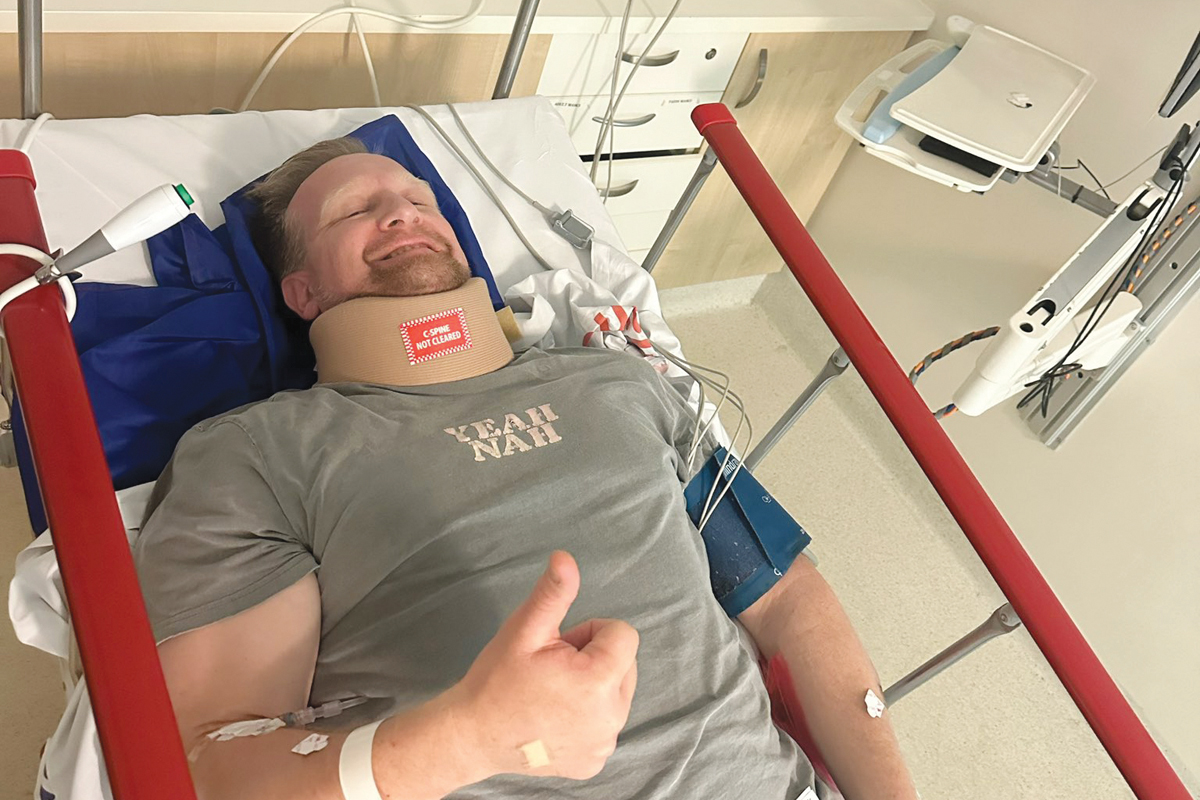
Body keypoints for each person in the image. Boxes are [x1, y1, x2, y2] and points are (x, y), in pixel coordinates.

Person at [134, 136, 919, 800]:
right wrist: (465, 739)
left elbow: (786, 600)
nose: (402, 213)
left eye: (419, 200)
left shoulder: (618, 382)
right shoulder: (259, 451)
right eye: (355, 211)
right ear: (302, 292)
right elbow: (206, 760)